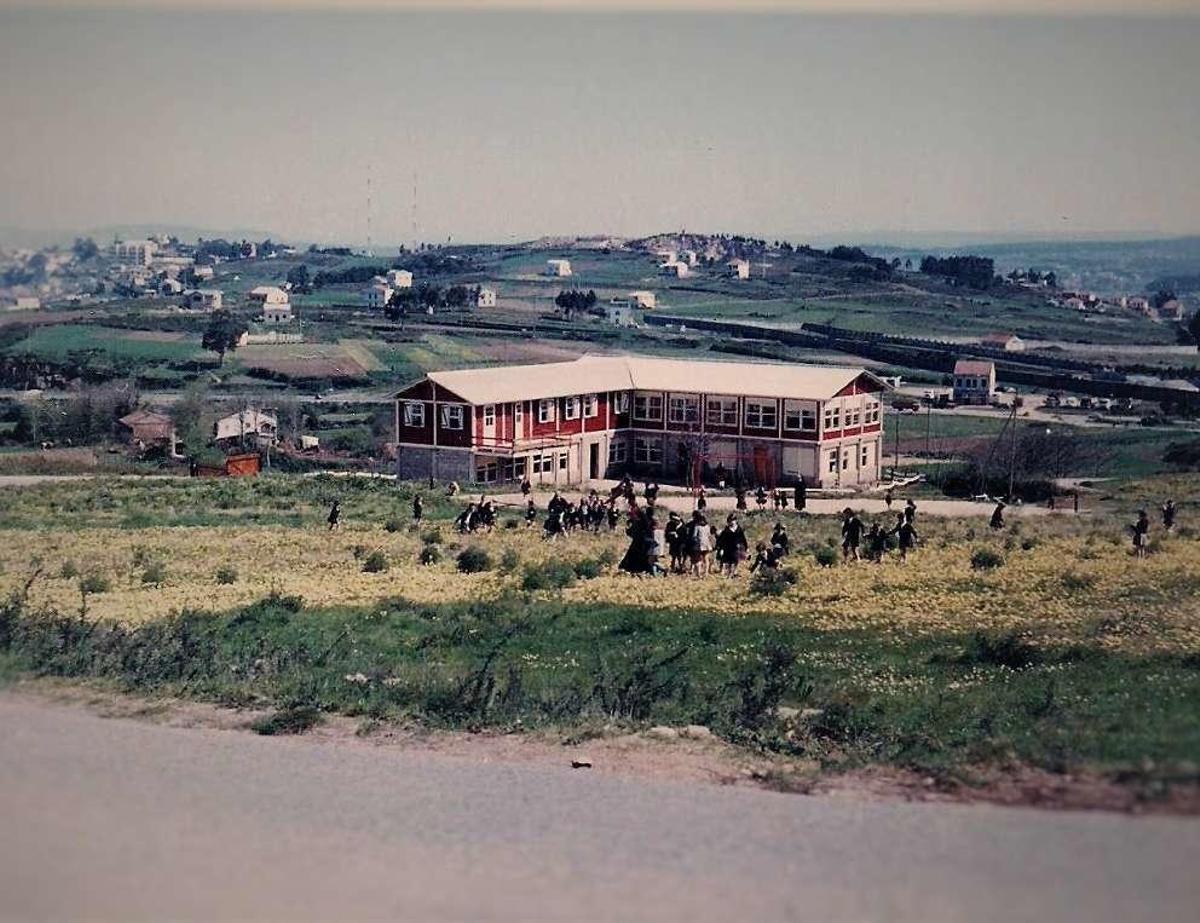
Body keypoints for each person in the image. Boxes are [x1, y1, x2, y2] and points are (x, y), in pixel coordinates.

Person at [618, 507, 653, 574]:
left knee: (636, 558)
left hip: (639, 543)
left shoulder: (639, 522)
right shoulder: (642, 522)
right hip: (639, 543)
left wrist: (628, 531)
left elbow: (633, 532)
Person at [687, 511, 714, 577]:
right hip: (707, 544)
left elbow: (694, 536)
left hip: (699, 545)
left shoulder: (697, 526)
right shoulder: (707, 526)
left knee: (698, 559)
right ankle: (706, 573)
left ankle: (699, 574)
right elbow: (709, 535)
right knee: (706, 559)